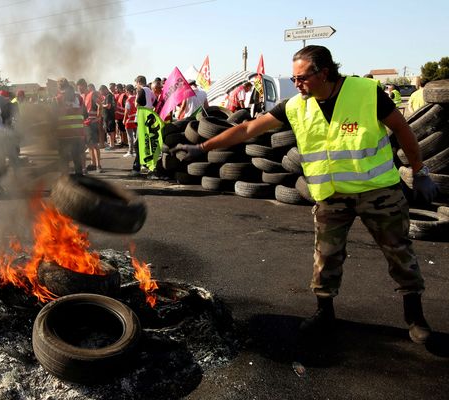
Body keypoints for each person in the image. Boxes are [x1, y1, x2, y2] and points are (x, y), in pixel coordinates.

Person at [173, 45, 438, 344]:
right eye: (294, 78)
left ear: (324, 72)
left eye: (302, 78)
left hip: (378, 192)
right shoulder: (296, 105)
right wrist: (202, 147)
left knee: (399, 254)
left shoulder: (366, 92)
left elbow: (403, 129)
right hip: (331, 196)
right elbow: (248, 129)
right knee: (325, 258)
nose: (296, 84)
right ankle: (325, 313)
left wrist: (420, 171)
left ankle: (415, 318)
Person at [52, 78, 86, 175]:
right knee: (76, 157)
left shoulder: (57, 99)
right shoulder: (79, 98)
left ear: (59, 87)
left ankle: (66, 182)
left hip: (63, 134)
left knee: (64, 159)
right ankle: (80, 180)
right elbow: (85, 114)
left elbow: (53, 118)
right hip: (77, 133)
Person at [129, 75, 157, 177]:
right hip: (148, 119)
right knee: (144, 142)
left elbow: (137, 104)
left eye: (136, 84)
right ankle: (144, 164)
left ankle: (138, 167)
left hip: (142, 119)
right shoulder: (150, 91)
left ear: (139, 82)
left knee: (138, 144)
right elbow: (155, 103)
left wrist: (136, 99)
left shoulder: (141, 90)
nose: (135, 86)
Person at [76, 79, 103, 173]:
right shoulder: (81, 96)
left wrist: (98, 117)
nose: (78, 89)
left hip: (92, 123)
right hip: (85, 124)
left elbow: (100, 105)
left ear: (83, 86)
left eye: (79, 87)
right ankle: (93, 163)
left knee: (95, 145)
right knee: (89, 145)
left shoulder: (92, 94)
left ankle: (98, 166)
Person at [100, 84, 117, 150]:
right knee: (110, 131)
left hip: (109, 116)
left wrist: (101, 105)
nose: (102, 94)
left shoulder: (108, 96)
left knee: (111, 131)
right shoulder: (110, 95)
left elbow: (108, 106)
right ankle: (111, 144)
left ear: (104, 90)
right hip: (109, 115)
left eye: (102, 92)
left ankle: (112, 145)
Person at [122, 84, 137, 157]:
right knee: (137, 137)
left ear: (127, 91)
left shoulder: (128, 100)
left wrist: (124, 120)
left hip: (129, 121)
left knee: (130, 137)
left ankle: (130, 151)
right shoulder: (136, 98)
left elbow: (126, 111)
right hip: (136, 120)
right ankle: (137, 151)